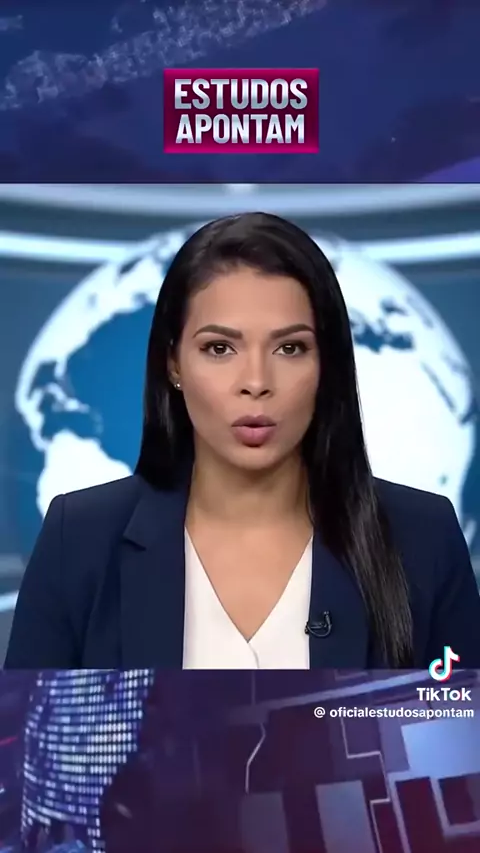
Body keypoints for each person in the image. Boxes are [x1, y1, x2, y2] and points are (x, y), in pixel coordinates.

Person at [4, 212, 480, 669]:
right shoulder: (79, 542)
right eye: (219, 348)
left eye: (290, 348)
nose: (255, 381)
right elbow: (32, 727)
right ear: (173, 364)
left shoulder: (425, 540)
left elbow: (458, 724)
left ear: (327, 364)